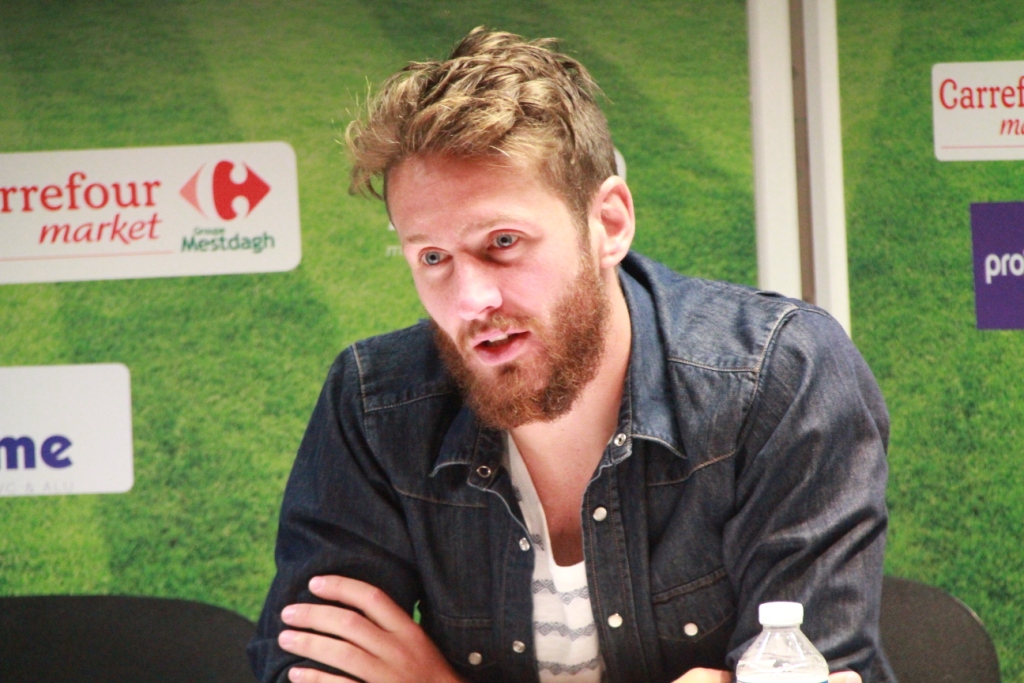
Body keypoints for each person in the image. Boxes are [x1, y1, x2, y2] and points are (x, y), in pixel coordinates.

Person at [248, 27, 893, 683]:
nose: (471, 300)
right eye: (433, 257)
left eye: (503, 242)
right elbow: (305, 666)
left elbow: (813, 671)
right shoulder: (375, 404)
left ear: (609, 223)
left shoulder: (780, 375)